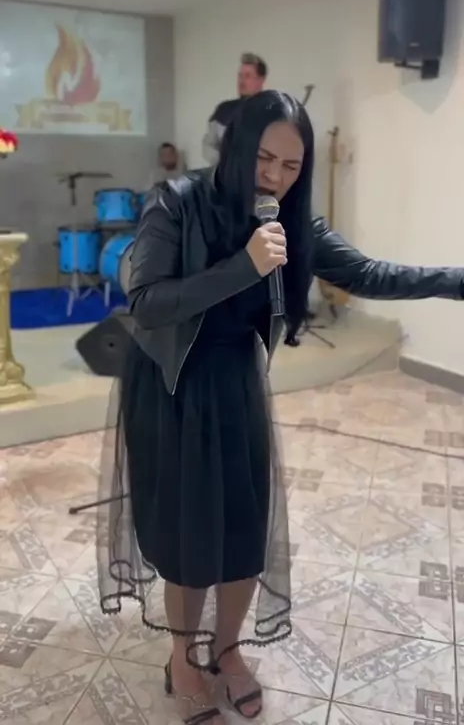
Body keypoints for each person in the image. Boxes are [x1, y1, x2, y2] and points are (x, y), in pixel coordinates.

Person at [98, 90, 464, 725]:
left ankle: (228, 649)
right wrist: (243, 266)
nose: (274, 176)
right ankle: (183, 657)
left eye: (292, 166)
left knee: (243, 527)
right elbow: (148, 302)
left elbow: (368, 274)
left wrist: (456, 280)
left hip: (235, 382)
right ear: (238, 146)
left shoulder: (291, 223)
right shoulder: (177, 202)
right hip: (174, 386)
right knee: (191, 534)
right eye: (264, 158)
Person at [202, 52, 267, 166]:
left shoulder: (272, 112)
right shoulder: (223, 111)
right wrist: (226, 163)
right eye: (240, 76)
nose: (241, 81)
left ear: (261, 80)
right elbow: (208, 145)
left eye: (247, 76)